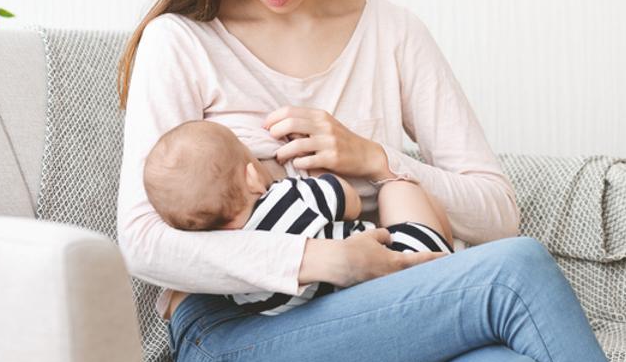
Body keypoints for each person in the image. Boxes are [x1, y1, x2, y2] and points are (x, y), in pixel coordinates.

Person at [115, 0, 626, 362]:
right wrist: (321, 259)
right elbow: (143, 241)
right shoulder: (182, 41)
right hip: (238, 333)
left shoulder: (392, 32)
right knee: (516, 272)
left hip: (385, 308)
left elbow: (496, 211)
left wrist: (377, 159)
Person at [143, 118, 453, 315]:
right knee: (398, 186)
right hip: (400, 264)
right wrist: (315, 175)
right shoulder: (287, 197)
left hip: (345, 309)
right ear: (252, 177)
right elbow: (350, 200)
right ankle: (448, 255)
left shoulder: (232, 274)